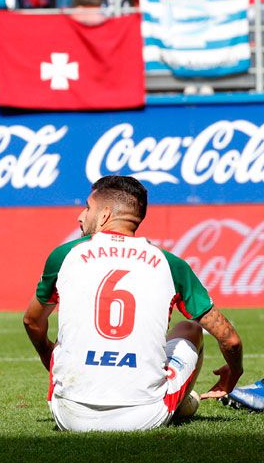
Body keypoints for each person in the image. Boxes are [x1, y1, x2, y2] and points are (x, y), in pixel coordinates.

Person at [23, 175, 244, 432]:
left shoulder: (65, 255)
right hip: (144, 416)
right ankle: (181, 404)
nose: (80, 216)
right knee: (191, 330)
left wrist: (48, 355)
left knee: (67, 340)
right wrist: (234, 372)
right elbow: (230, 340)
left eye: (87, 207)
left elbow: (31, 320)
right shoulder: (170, 264)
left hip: (69, 416)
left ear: (104, 214)